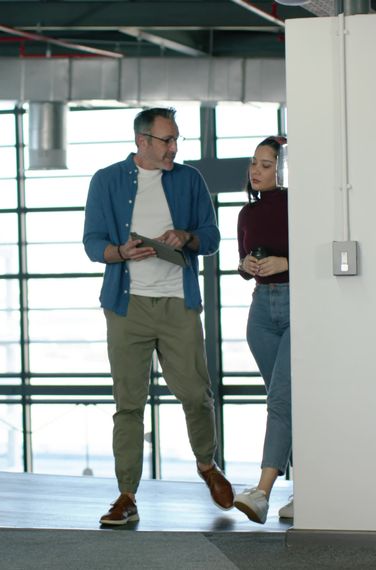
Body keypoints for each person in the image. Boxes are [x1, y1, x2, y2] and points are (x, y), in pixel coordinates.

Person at [82, 107, 233, 526]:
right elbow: (93, 242)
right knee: (128, 404)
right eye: (167, 141)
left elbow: (213, 239)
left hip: (177, 303)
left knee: (194, 394)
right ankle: (126, 495)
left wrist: (186, 237)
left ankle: (206, 464)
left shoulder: (189, 180)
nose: (174, 148)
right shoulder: (106, 181)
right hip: (126, 306)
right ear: (142, 142)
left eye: (176, 140)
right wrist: (120, 252)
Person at [232, 136, 293, 524]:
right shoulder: (246, 213)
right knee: (288, 403)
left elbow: (318, 251)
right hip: (260, 312)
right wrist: (247, 266)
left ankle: (262, 492)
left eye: (266, 164)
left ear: (283, 169)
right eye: (254, 163)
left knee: (282, 401)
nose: (256, 170)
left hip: (297, 304)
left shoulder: (300, 205)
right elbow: (242, 261)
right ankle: (307, 493)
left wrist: (284, 262)